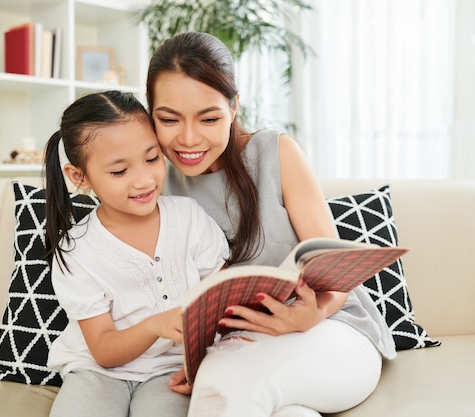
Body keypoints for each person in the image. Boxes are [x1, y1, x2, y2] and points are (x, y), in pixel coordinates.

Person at [146, 32, 397, 417]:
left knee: (224, 389)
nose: (189, 138)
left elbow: (334, 274)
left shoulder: (274, 152)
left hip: (331, 331)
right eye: (168, 120)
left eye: (209, 118)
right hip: (242, 350)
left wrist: (310, 314)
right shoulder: (152, 185)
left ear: (233, 108)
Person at [43, 90, 229, 417]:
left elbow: (222, 299)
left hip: (170, 368)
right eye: (119, 171)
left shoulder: (189, 218)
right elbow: (102, 350)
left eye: (152, 158)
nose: (144, 180)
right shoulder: (76, 250)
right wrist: (153, 325)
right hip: (97, 372)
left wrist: (205, 360)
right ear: (79, 176)